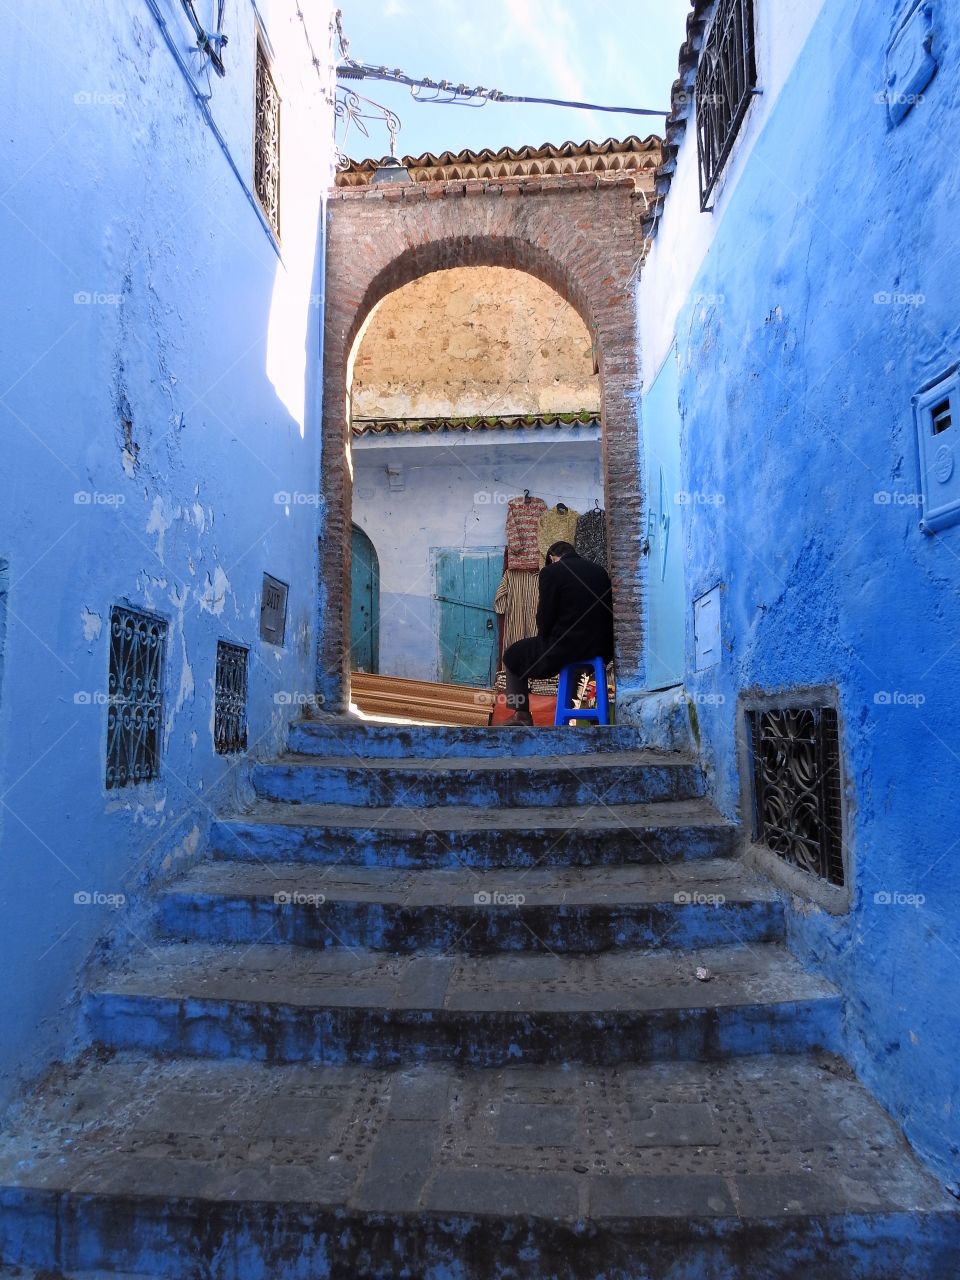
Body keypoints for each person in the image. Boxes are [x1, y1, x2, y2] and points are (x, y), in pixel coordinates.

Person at [500, 541, 614, 727]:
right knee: (574, 664)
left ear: (552, 558)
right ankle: (571, 715)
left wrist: (544, 636)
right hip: (600, 650)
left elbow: (545, 616)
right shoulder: (599, 571)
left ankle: (521, 714)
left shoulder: (551, 572)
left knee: (512, 655)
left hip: (567, 648)